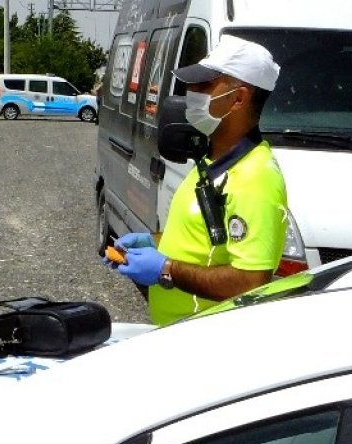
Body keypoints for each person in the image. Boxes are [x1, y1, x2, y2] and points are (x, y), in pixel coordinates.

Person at [108, 35, 288, 326]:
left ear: (239, 98)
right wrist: (154, 243)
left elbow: (251, 282)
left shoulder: (255, 178)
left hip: (209, 342)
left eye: (205, 85)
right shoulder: (211, 161)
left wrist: (166, 269)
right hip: (181, 333)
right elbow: (201, 243)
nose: (191, 91)